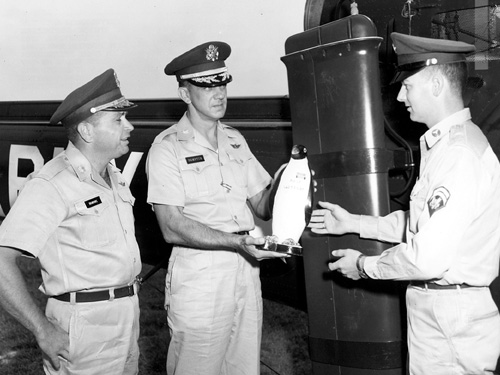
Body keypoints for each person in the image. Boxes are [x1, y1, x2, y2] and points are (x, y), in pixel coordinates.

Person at [308, 33, 500, 374]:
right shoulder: (449, 145)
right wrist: (354, 222)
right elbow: (421, 225)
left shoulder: (457, 155)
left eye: (408, 86)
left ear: (437, 84)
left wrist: (364, 266)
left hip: (450, 320)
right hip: (444, 312)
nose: (399, 95)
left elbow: (427, 258)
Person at [146, 41, 288, 375]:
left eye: (222, 83)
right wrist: (237, 242)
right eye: (207, 85)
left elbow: (262, 205)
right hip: (201, 273)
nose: (219, 92)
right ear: (185, 94)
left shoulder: (236, 139)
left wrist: (289, 180)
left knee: (243, 367)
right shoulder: (167, 148)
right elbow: (170, 226)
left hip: (245, 270)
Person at [0, 69, 142, 375]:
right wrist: (41, 329)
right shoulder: (52, 184)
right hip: (82, 332)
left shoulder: (113, 177)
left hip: (127, 322)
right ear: (88, 132)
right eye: (118, 120)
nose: (129, 126)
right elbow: (1, 260)